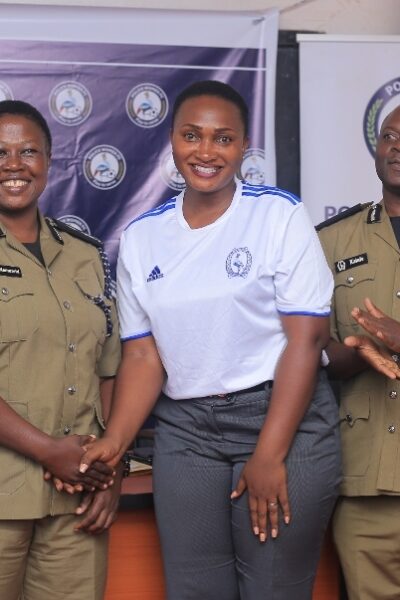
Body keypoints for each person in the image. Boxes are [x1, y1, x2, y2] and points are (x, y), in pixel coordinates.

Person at [81, 80, 341, 600]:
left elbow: (306, 341)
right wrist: (116, 441)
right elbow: (143, 354)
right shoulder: (142, 236)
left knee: (272, 589)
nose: (206, 151)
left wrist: (269, 454)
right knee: (195, 589)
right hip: (187, 431)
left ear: (244, 146)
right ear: (172, 141)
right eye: (191, 135)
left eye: (223, 138)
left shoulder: (279, 215)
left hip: (281, 418)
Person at [0, 100, 121, 600]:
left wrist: (112, 470)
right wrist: (50, 452)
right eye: (0, 152)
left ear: (49, 162)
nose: (14, 164)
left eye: (28, 151)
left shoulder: (85, 255)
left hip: (78, 499)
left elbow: (109, 370)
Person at [317, 104, 400, 600]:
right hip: (364, 478)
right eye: (390, 135)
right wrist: (353, 353)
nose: (398, 147)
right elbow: (311, 348)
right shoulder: (332, 240)